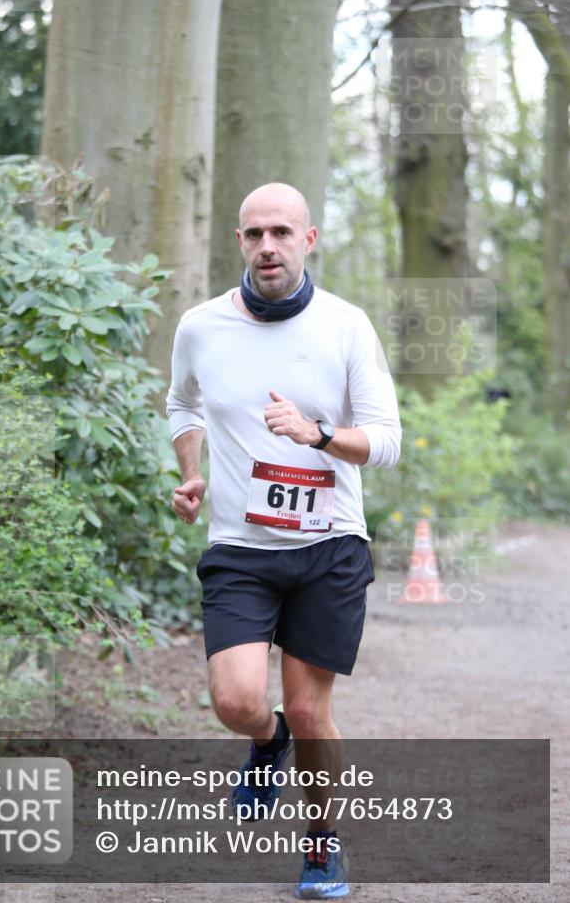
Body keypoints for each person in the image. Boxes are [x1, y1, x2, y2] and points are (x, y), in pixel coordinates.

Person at [166, 182, 401, 900]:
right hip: (240, 547)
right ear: (238, 241)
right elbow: (182, 402)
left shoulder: (346, 325)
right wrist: (191, 471)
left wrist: (316, 433)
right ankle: (266, 743)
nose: (267, 246)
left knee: (308, 709)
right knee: (236, 701)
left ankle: (322, 845)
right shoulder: (201, 326)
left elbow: (387, 441)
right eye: (254, 234)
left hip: (329, 546)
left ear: (309, 239)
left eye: (281, 232)